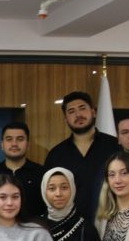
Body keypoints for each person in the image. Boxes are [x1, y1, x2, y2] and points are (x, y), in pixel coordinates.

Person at [44, 91, 121, 222]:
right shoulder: (56, 155)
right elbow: (49, 195)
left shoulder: (115, 147)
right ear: (66, 119)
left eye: (82, 108)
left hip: (111, 221)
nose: (78, 114)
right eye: (71, 111)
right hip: (70, 225)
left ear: (93, 112)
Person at [0, 122, 46, 219]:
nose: (14, 144)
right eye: (9, 139)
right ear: (2, 144)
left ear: (28, 144)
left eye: (20, 139)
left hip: (33, 230)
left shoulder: (42, 173)